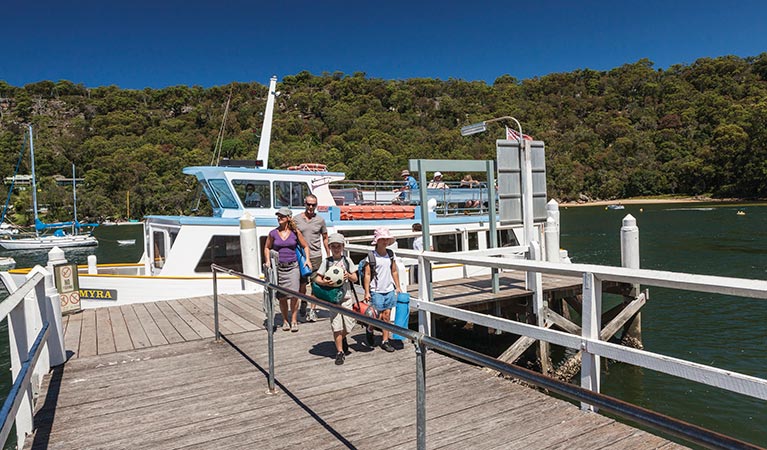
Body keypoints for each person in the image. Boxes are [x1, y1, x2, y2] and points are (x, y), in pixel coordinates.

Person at [263, 206, 311, 332]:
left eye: (282, 216)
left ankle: (294, 320)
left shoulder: (295, 232)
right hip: (279, 268)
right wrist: (268, 261)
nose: (279, 218)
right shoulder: (273, 233)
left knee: (295, 294)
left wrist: (307, 260)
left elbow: (305, 246)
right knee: (282, 296)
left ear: (288, 218)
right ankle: (285, 320)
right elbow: (267, 247)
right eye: (278, 216)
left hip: (293, 267)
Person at [314, 233, 358, 365]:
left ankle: (342, 338)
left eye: (339, 246)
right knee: (336, 326)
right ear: (330, 247)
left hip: (346, 297)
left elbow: (355, 278)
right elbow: (317, 278)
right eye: (334, 246)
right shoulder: (326, 262)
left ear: (343, 247)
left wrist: (348, 275)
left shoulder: (347, 261)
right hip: (333, 299)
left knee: (349, 325)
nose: (336, 249)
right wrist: (325, 283)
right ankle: (339, 352)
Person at [363, 227, 401, 352]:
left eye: (386, 239)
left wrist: (398, 286)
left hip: (389, 288)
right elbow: (367, 274)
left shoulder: (390, 254)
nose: (385, 242)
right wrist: (367, 291)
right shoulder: (371, 256)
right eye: (382, 239)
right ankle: (370, 328)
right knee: (376, 316)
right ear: (377, 241)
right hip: (376, 289)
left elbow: (394, 271)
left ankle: (385, 340)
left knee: (387, 316)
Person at [296, 194, 329, 322]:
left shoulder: (320, 220)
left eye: (313, 205)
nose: (310, 207)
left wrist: (329, 255)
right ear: (305, 203)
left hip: (316, 256)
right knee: (302, 284)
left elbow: (325, 238)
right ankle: (304, 301)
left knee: (316, 285)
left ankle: (312, 310)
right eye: (308, 204)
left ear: (316, 205)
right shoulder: (296, 219)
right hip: (302, 257)